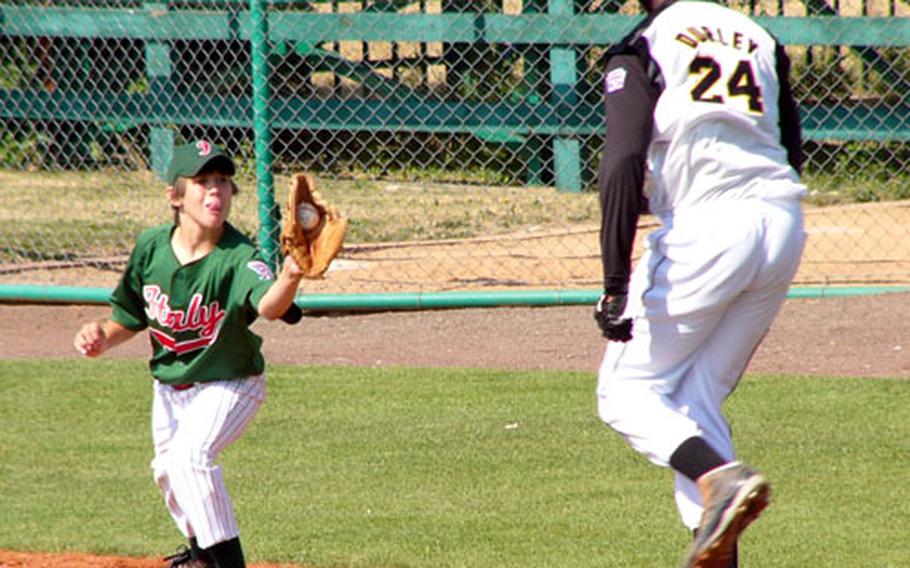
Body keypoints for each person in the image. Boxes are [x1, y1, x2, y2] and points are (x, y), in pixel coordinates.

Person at [592, 1, 806, 566]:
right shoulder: (758, 37)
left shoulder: (645, 42)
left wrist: (615, 281)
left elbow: (621, 161)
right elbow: (790, 146)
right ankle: (718, 530)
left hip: (709, 227)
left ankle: (717, 477)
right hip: (782, 223)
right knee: (696, 399)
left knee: (625, 393)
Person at [73, 139, 304, 568]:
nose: (215, 191)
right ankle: (201, 555)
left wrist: (290, 275)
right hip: (170, 389)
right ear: (175, 196)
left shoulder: (239, 257)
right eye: (202, 182)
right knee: (167, 471)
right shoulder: (151, 248)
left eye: (223, 181)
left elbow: (270, 306)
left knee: (189, 459)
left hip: (231, 381)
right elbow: (129, 315)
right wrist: (102, 336)